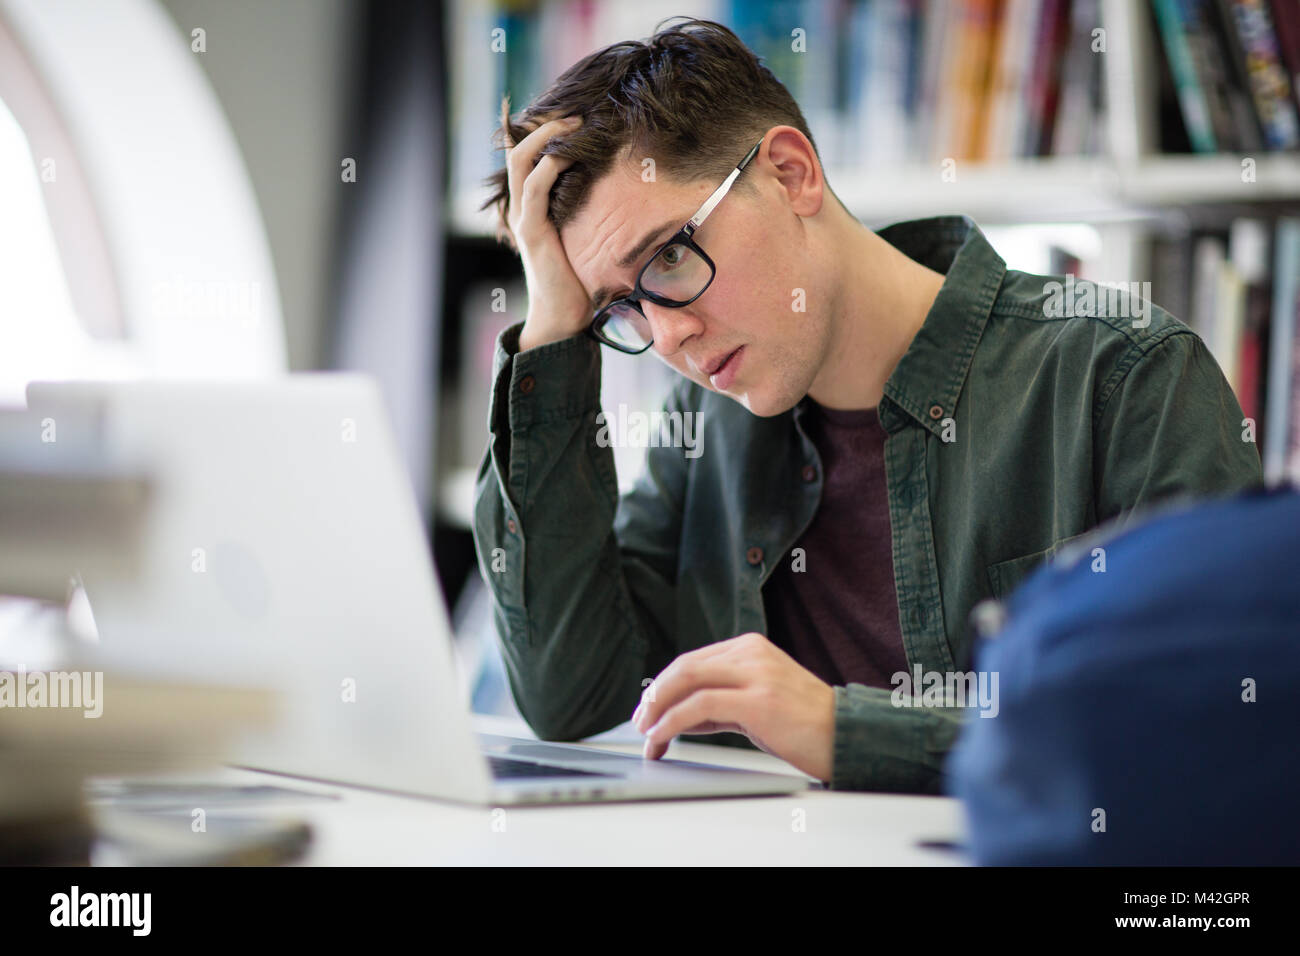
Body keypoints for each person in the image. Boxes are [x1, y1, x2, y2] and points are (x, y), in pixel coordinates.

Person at [470, 18, 1262, 792]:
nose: (668, 335)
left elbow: (1207, 720)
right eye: (620, 309)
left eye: (671, 256)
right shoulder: (706, 429)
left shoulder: (1120, 376)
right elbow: (567, 696)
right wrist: (553, 332)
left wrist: (843, 730)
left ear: (790, 173)